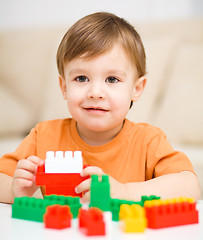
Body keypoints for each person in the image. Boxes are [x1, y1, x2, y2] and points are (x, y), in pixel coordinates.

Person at [0, 12, 201, 204]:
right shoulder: (43, 136)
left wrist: (125, 192)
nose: (95, 92)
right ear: (64, 87)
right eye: (81, 78)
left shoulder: (148, 141)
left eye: (112, 79)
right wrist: (14, 190)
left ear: (136, 89)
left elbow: (190, 187)